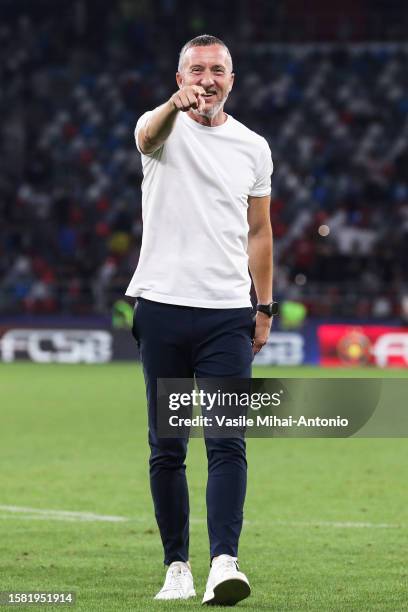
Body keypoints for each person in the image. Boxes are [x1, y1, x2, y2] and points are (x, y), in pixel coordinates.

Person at [126, 34, 276, 606]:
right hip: (162, 308)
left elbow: (259, 231)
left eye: (217, 70)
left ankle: (223, 564)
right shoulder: (161, 129)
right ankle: (176, 566)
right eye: (196, 70)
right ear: (181, 75)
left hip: (225, 316)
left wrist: (263, 305)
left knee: (227, 441)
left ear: (232, 80)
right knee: (168, 446)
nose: (207, 79)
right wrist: (172, 105)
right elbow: (147, 134)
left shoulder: (253, 147)